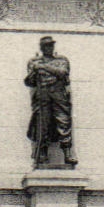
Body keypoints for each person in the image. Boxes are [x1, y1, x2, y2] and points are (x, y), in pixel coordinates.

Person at [24, 36, 74, 168]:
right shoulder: (33, 61)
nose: (49, 48)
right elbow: (29, 82)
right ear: (41, 48)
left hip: (59, 94)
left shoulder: (61, 60)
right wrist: (34, 72)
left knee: (64, 122)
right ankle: (42, 154)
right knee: (42, 125)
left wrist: (43, 67)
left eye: (51, 45)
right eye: (46, 46)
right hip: (42, 94)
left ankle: (68, 153)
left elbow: (63, 73)